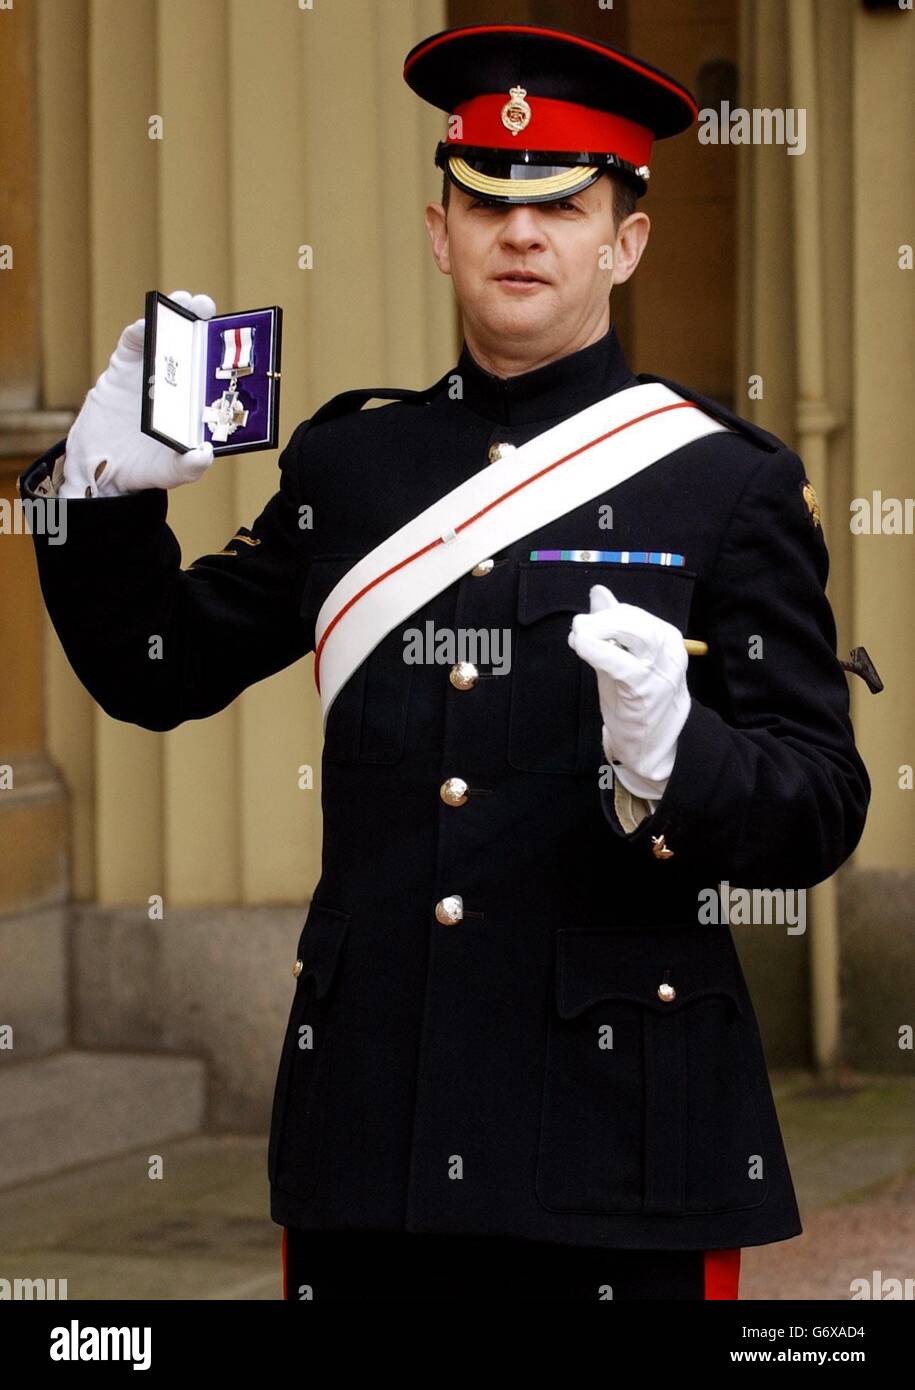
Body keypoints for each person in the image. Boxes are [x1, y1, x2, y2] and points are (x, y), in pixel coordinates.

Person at [19, 23, 870, 1302]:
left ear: (624, 241)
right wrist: (96, 495)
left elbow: (818, 804)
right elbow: (158, 668)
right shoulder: (352, 464)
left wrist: (674, 756)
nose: (520, 234)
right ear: (442, 231)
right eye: (488, 203)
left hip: (616, 1135)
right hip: (377, 1128)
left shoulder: (726, 483)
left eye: (565, 205)